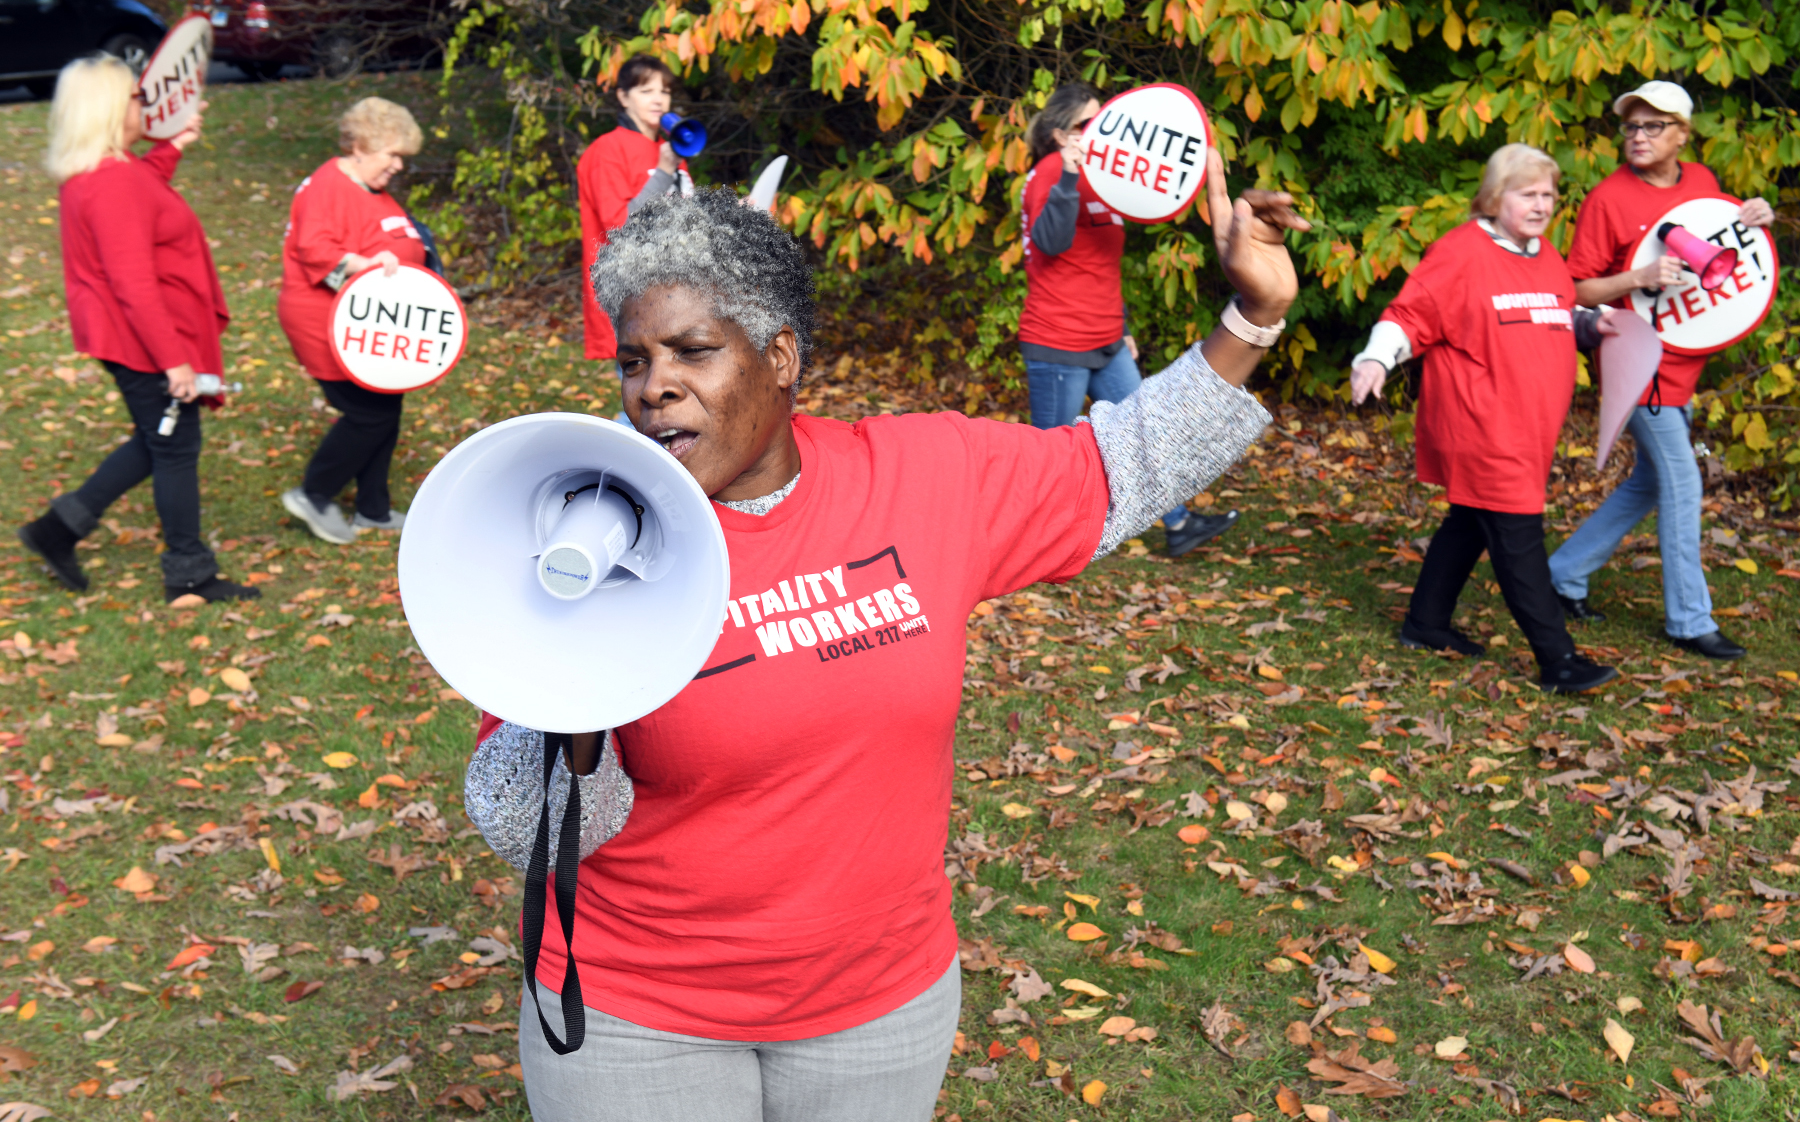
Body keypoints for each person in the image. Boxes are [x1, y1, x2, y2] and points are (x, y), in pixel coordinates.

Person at [461, 156, 1307, 1121]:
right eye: (635, 361)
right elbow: (531, 827)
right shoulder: (583, 534)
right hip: (640, 1018)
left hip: (878, 1007)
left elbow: (1124, 466)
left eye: (693, 352)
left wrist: (1251, 319)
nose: (654, 389)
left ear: (779, 356)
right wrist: (577, 684)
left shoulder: (924, 476)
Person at [1349, 143, 1617, 694]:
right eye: (1527, 194)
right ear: (1495, 197)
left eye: (1548, 195)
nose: (1541, 205)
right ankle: (1558, 659)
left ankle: (1425, 624)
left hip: (1529, 426)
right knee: (1517, 536)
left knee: (1471, 520)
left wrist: (1593, 325)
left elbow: (1554, 313)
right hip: (1483, 424)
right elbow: (1409, 312)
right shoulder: (1461, 253)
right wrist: (1376, 357)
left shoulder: (1543, 253)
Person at [1546, 81, 1776, 661]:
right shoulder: (1608, 199)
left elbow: (1727, 258)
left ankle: (1562, 575)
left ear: (1682, 134)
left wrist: (1754, 220)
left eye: (1653, 127)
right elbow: (1575, 289)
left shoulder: (1702, 186)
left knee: (1651, 481)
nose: (1638, 137)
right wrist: (1637, 280)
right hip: (1635, 359)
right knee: (1681, 482)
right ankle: (1689, 620)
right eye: (1630, 127)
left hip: (1684, 362)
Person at [18, 55, 258, 605]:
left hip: (128, 335)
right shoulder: (112, 183)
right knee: (176, 447)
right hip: (143, 338)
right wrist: (174, 361)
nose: (143, 104)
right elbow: (133, 282)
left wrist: (174, 145)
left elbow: (143, 190)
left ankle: (56, 530)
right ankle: (189, 576)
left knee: (159, 440)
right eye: (134, 97)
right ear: (108, 109)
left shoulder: (104, 172)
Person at [1019, 82, 1239, 557]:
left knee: (1148, 435)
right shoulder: (1052, 173)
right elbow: (1050, 245)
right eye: (1088, 125)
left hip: (1106, 341)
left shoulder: (1108, 179)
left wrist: (1122, 328)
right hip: (1059, 341)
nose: (1101, 133)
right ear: (1061, 135)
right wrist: (1068, 179)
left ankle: (1179, 525)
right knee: (1053, 458)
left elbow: (1099, 266)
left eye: (1106, 122)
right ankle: (1035, 547)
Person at [276, 97, 427, 545]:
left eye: (403, 156)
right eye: (393, 154)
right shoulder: (328, 186)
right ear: (361, 146)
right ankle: (315, 493)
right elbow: (313, 248)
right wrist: (360, 265)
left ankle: (372, 509)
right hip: (327, 322)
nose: (399, 165)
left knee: (385, 407)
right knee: (369, 414)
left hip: (376, 324)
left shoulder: (368, 189)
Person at [576, 55, 694, 365]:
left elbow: (684, 220)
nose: (658, 99)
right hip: (629, 298)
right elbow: (620, 228)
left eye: (664, 91)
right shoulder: (607, 150)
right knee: (644, 405)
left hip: (674, 295)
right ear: (623, 96)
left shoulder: (669, 152)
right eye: (646, 91)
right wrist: (663, 173)